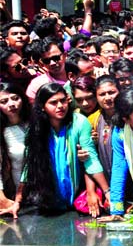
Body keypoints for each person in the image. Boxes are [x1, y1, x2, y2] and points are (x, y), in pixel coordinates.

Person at [2, 83, 110, 218]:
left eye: (63, 100)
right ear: (42, 106)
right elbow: (29, 165)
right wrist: (17, 202)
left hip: (77, 194)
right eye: (53, 103)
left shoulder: (79, 122)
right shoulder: (36, 128)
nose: (60, 106)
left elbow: (91, 158)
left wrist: (106, 192)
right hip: (48, 199)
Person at [0, 83, 30, 210]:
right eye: (4, 101)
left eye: (15, 98)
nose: (11, 104)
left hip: (46, 190)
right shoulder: (2, 132)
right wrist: (3, 199)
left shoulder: (36, 123)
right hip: (16, 197)